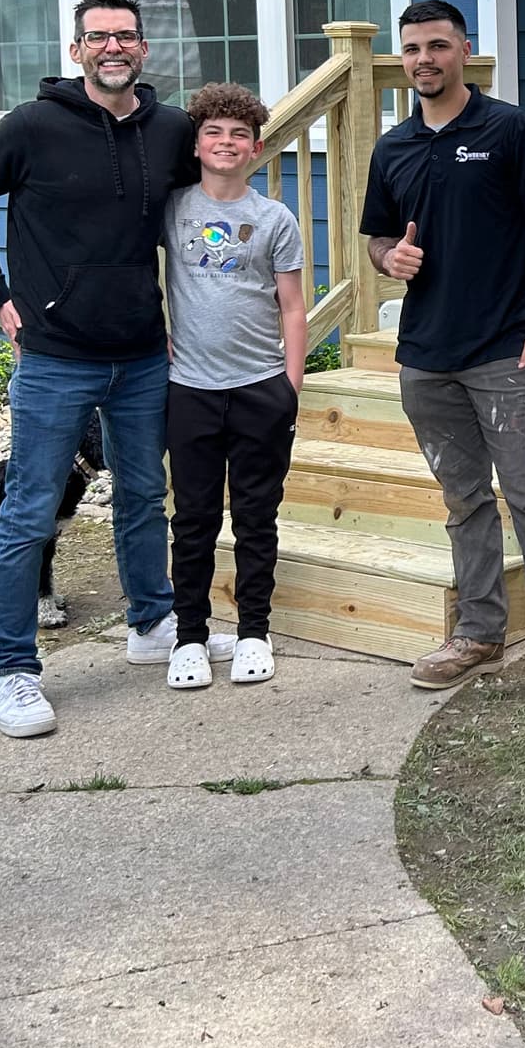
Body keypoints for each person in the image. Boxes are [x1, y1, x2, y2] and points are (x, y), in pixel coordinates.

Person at [0, 0, 199, 739]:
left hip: (143, 355)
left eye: (125, 36)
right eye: (98, 37)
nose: (113, 48)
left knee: (145, 496)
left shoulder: (172, 130)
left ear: (143, 49)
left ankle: (152, 623)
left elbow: (200, 222)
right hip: (56, 358)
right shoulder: (30, 127)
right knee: (27, 513)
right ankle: (11, 670)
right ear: (76, 50)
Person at [358, 0, 525, 705]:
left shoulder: (508, 128)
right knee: (463, 502)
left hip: (502, 349)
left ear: (464, 50)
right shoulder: (393, 146)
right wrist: (386, 256)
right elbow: (375, 238)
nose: (423, 59)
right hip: (425, 358)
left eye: (437, 45)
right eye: (412, 49)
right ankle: (479, 633)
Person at [162, 84, 308, 693]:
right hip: (189, 390)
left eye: (239, 135)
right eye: (215, 133)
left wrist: (290, 388)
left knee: (255, 517)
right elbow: (139, 276)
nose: (227, 143)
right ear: (196, 144)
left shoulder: (274, 218)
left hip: (260, 390)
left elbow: (293, 308)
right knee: (192, 519)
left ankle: (254, 630)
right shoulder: (171, 208)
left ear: (258, 147)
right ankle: (189, 637)